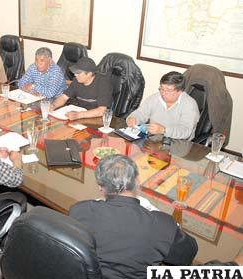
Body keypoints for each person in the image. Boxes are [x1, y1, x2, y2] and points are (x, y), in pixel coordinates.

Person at [69, 154, 198, 279]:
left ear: (100, 187)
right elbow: (188, 254)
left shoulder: (79, 211)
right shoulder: (162, 224)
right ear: (137, 181)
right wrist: (172, 229)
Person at [126, 71, 199, 140]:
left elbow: (185, 131)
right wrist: (133, 118)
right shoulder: (155, 98)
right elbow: (141, 113)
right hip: (153, 140)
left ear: (180, 91)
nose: (163, 93)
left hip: (178, 144)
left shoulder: (190, 105)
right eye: (161, 89)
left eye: (168, 90)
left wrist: (164, 130)